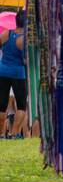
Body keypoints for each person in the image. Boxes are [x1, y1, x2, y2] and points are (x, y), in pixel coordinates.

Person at [0, 9, 28, 139]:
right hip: (18, 73)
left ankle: (1, 134)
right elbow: (26, 60)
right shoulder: (24, 40)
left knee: (2, 105)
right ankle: (14, 133)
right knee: (21, 105)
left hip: (3, 71)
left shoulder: (6, 34)